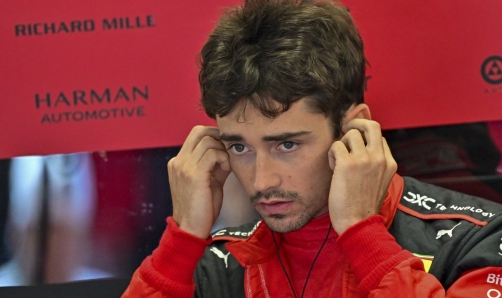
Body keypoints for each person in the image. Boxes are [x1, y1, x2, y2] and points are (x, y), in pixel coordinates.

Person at [122, 0, 502, 297]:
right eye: (239, 148)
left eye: (287, 144)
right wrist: (181, 241)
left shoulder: (479, 240)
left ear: (354, 129)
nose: (261, 180)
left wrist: (361, 233)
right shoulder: (214, 266)